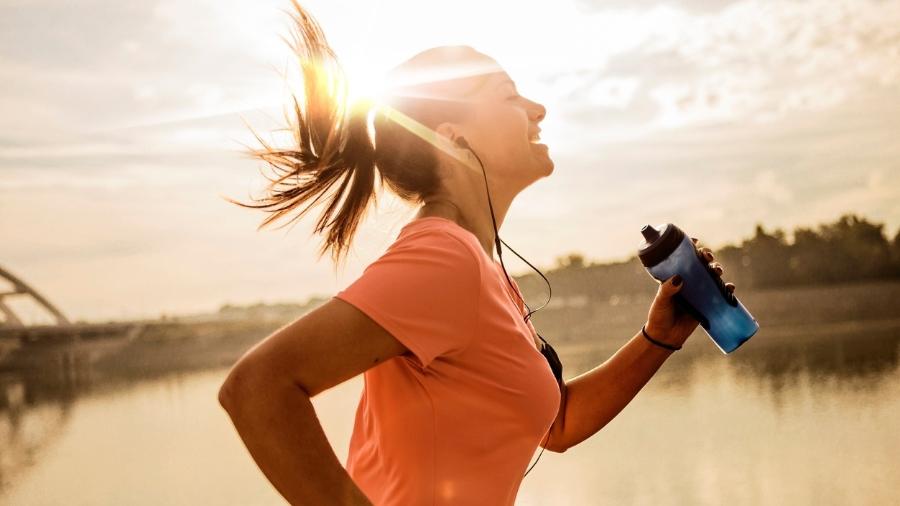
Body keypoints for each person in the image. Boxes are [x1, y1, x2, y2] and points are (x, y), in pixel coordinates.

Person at [217, 2, 736, 505]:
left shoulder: (481, 268)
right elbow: (257, 387)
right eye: (509, 95)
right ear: (453, 134)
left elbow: (556, 425)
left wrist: (658, 339)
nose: (538, 109)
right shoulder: (444, 259)